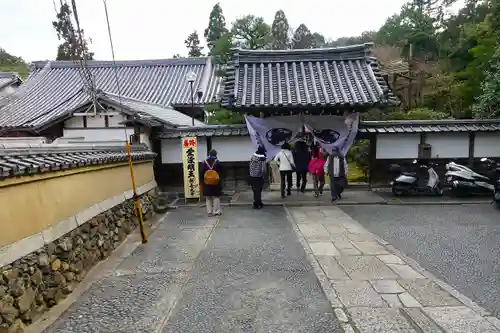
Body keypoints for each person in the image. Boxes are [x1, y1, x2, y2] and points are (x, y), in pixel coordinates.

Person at [202, 149, 222, 216]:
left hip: (207, 182)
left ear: (209, 155)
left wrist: (202, 181)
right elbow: (221, 173)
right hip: (216, 182)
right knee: (216, 197)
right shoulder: (218, 162)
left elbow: (201, 173)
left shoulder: (204, 162)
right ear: (216, 155)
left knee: (208, 197)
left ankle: (209, 211)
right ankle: (216, 211)